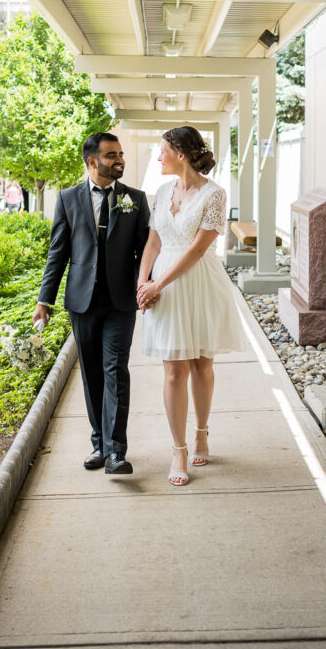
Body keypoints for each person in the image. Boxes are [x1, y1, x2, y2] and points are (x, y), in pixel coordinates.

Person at [32, 133, 150, 475]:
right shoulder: (68, 199)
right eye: (111, 155)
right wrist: (45, 300)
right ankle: (98, 443)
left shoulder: (136, 199)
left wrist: (148, 286)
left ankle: (116, 452)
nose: (119, 160)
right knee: (92, 375)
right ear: (91, 161)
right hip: (81, 301)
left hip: (121, 301)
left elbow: (145, 251)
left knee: (116, 372)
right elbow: (59, 252)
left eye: (121, 154)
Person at [137, 126, 245, 486]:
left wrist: (158, 284)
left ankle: (201, 431)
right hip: (162, 284)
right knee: (173, 371)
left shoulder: (215, 194)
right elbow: (153, 241)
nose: (158, 157)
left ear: (180, 154)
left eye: (162, 151)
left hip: (199, 283)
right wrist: (143, 282)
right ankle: (178, 449)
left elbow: (199, 249)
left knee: (201, 365)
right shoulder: (163, 191)